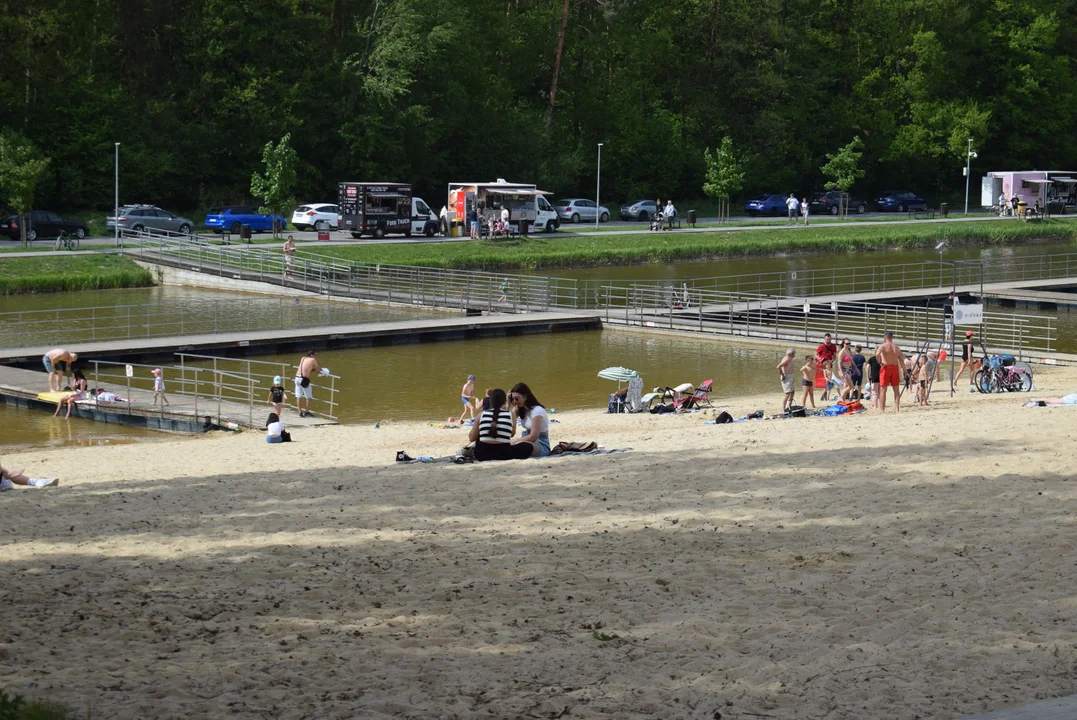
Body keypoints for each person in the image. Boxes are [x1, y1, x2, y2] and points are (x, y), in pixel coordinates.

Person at [468, 388, 533, 461]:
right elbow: (511, 434)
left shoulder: (481, 415)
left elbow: (471, 438)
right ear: (504, 401)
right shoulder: (511, 415)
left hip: (482, 454)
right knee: (528, 446)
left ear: (491, 400)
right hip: (504, 453)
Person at [509, 382, 550, 457]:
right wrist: (508, 403)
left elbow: (533, 436)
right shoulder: (519, 409)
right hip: (525, 440)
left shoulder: (537, 411)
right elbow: (506, 420)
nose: (514, 401)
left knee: (519, 446)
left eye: (516, 398)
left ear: (525, 396)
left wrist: (516, 440)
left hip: (540, 444)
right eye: (512, 399)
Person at [875, 331, 906, 413]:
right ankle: (897, 409)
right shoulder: (896, 347)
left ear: (885, 338)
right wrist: (905, 371)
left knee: (883, 390)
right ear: (892, 338)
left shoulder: (883, 346)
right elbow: (902, 360)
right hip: (895, 368)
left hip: (885, 367)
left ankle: (882, 410)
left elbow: (877, 354)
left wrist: (879, 362)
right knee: (896, 389)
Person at [295, 350, 320, 417]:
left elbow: (304, 368)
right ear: (311, 355)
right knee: (309, 397)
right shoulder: (312, 360)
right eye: (315, 355)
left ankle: (300, 412)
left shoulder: (303, 358)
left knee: (298, 396)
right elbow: (318, 370)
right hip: (304, 380)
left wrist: (311, 369)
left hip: (297, 378)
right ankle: (307, 412)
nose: (315, 356)